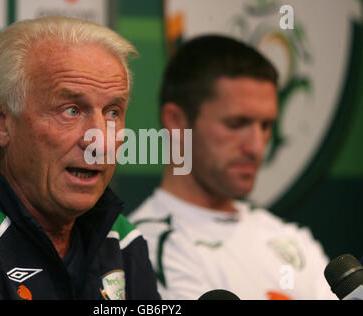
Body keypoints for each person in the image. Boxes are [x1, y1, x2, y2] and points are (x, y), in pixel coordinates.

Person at [0, 16, 160, 300]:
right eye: (71, 110)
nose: (100, 140)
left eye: (113, 112)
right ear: (0, 120)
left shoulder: (122, 239)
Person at [128, 35, 335, 300]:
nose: (257, 147)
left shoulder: (292, 239)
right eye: (237, 124)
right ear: (177, 122)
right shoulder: (147, 245)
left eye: (266, 126)